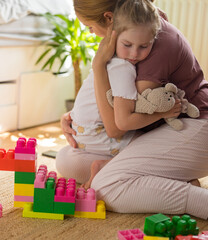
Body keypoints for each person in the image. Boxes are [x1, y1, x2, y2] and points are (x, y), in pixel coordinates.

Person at [56, 0, 208, 220]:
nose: (92, 34)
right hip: (157, 133)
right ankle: (171, 180)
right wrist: (76, 116)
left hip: (195, 130)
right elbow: (109, 101)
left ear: (109, 18)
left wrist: (98, 65)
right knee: (67, 160)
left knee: (103, 188)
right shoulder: (134, 33)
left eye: (90, 27)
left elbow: (116, 127)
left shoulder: (149, 43)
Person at [70, 0, 180, 189]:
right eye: (128, 44)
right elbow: (121, 125)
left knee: (67, 161)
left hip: (83, 131)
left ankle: (105, 169)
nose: (135, 54)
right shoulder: (123, 67)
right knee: (149, 150)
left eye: (144, 46)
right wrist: (162, 113)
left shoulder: (112, 55)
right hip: (96, 133)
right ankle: (105, 169)